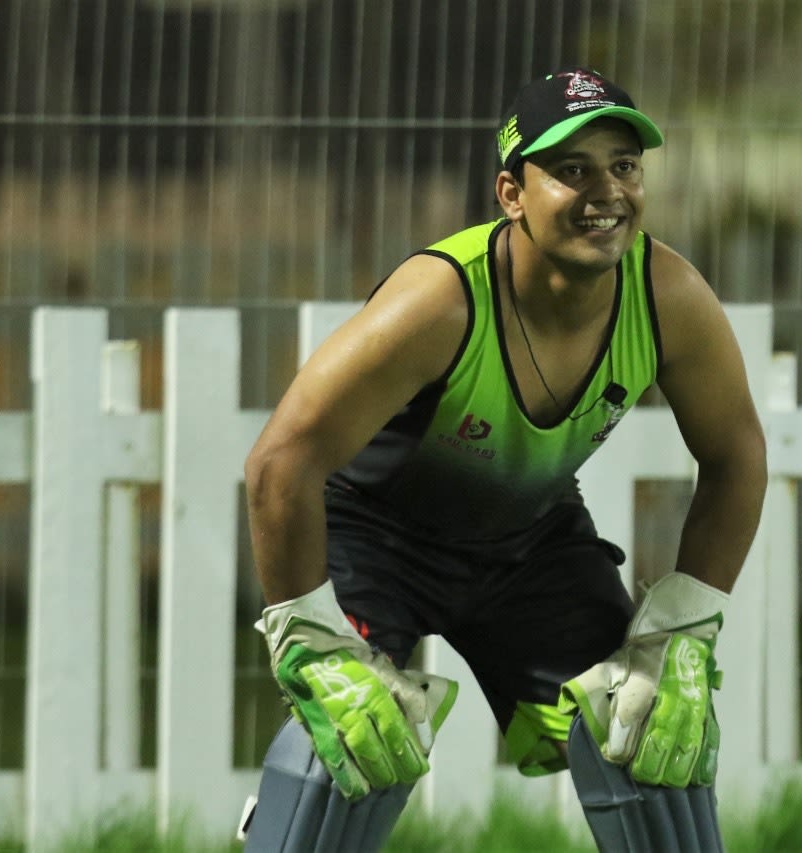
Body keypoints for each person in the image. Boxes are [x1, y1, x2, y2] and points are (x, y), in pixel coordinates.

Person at [240, 66, 767, 852]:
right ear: (513, 193)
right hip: (376, 536)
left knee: (644, 721)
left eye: (624, 166)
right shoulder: (441, 301)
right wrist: (311, 642)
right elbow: (281, 461)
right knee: (350, 742)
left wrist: (685, 630)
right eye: (572, 169)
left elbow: (736, 455)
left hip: (528, 541)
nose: (607, 192)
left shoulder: (667, 296)